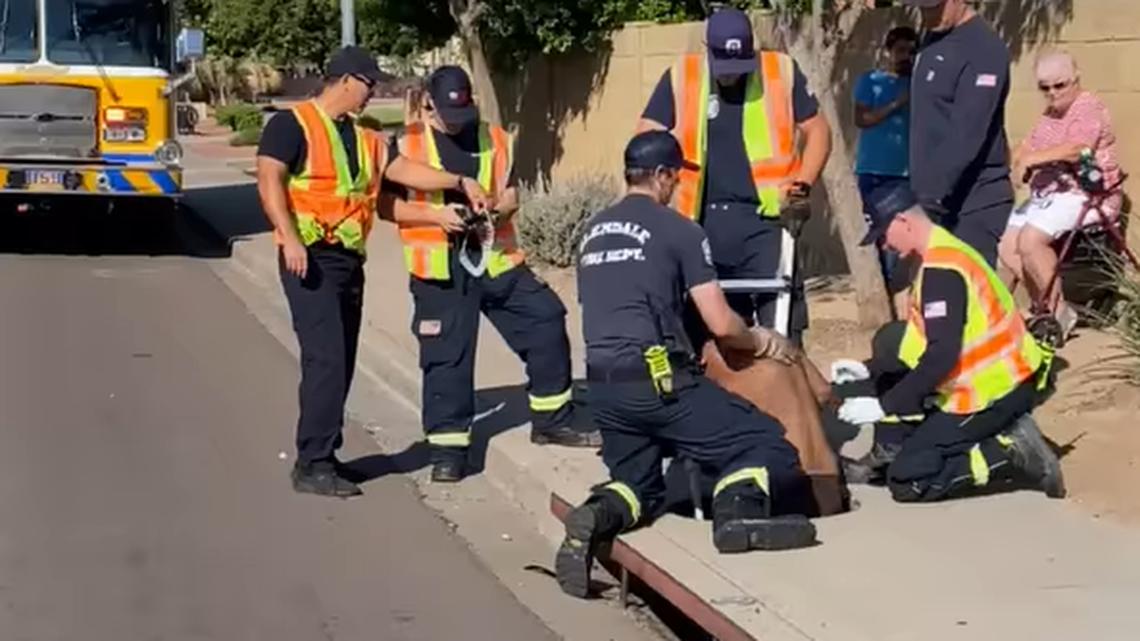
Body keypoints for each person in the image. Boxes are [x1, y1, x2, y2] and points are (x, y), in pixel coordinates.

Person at [555, 130, 818, 600]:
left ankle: (593, 516)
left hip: (604, 388)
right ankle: (736, 514)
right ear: (659, 175)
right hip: (660, 381)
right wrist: (761, 338)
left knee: (639, 487)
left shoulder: (592, 232)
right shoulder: (680, 230)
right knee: (765, 444)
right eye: (674, 176)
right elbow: (721, 324)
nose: (677, 185)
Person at [256, 46, 492, 498]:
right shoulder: (292, 124)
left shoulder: (366, 137)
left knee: (340, 359)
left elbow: (404, 170)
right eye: (369, 84)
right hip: (309, 255)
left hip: (349, 260)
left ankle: (324, 454)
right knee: (325, 359)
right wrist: (287, 236)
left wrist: (459, 181)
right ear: (346, 80)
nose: (372, 92)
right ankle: (313, 463)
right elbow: (269, 179)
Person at [381, 65, 601, 484]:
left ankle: (552, 418)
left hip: (495, 259)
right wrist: (435, 214)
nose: (458, 123)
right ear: (429, 102)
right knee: (448, 355)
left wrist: (494, 213)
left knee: (545, 319)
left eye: (464, 112)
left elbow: (512, 192)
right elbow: (385, 208)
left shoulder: (494, 138)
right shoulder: (406, 144)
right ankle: (449, 450)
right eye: (450, 115)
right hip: (439, 268)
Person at [834, 182, 1065, 503]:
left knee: (908, 480)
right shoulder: (943, 252)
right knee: (890, 342)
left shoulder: (942, 270)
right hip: (997, 379)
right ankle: (897, 447)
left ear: (903, 221)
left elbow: (941, 357)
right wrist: (867, 369)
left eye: (885, 235)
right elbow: (918, 342)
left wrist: (883, 407)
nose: (885, 245)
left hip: (992, 392)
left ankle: (1007, 449)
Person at [636, 6, 832, 347]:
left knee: (782, 329)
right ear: (706, 47)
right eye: (724, 67)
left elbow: (819, 131)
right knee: (705, 333)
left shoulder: (780, 71)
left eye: (739, 65)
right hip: (700, 222)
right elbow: (645, 136)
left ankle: (783, 398)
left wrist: (803, 185)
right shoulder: (683, 75)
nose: (731, 75)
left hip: (767, 222)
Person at [998, 51, 1122, 342]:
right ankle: (1051, 306)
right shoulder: (1051, 114)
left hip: (1087, 193)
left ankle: (1055, 311)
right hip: (1052, 193)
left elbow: (1077, 149)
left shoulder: (1087, 107)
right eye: (1045, 87)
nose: (1052, 93)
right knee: (1005, 242)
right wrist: (1014, 166)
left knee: (1030, 240)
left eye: (1059, 85)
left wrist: (1030, 161)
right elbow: (1028, 145)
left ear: (1075, 78)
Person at [903, 0, 1014, 269]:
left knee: (966, 302)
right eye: (920, 8)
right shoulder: (933, 36)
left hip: (972, 203)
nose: (926, 15)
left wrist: (928, 202)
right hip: (931, 200)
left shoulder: (985, 49)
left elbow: (966, 134)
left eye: (933, 7)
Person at [854, 26, 919, 320]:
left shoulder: (922, 84)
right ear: (888, 52)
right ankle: (888, 311)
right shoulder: (870, 81)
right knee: (879, 243)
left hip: (906, 175)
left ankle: (901, 309)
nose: (905, 57)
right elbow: (862, 118)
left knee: (899, 244)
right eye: (900, 50)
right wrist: (897, 103)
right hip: (872, 171)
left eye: (911, 51)